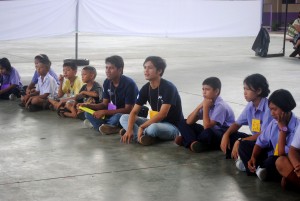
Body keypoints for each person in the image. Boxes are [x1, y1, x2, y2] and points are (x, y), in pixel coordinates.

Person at [120, 56, 183, 146]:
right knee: (124, 118)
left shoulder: (169, 88)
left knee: (153, 128)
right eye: (145, 67)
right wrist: (130, 129)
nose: (146, 70)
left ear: (159, 71)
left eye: (150, 68)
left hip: (172, 126)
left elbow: (163, 114)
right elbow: (134, 111)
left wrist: (142, 126)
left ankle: (137, 134)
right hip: (155, 122)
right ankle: (140, 136)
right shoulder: (146, 88)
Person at [238, 89, 299, 182]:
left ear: (285, 109)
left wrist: (283, 129)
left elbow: (281, 154)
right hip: (271, 154)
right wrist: (253, 157)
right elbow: (260, 142)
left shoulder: (297, 127)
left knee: (272, 161)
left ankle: (260, 170)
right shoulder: (274, 123)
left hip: (283, 160)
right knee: (244, 145)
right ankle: (259, 169)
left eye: (275, 109)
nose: (272, 113)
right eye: (270, 109)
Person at [220, 73, 273, 169]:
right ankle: (241, 157)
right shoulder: (250, 106)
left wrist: (241, 141)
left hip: (265, 143)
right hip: (254, 139)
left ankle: (253, 165)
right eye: (244, 89)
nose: (244, 92)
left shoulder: (269, 108)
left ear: (259, 91)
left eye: (247, 89)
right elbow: (237, 124)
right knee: (230, 134)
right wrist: (226, 135)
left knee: (243, 144)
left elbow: (264, 135)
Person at [175, 77, 235, 153]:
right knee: (183, 122)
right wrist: (200, 106)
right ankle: (193, 143)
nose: (204, 92)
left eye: (207, 89)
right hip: (210, 131)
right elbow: (189, 122)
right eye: (203, 89)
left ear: (216, 91)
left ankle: (187, 141)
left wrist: (205, 107)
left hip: (222, 134)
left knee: (207, 133)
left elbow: (207, 126)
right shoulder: (208, 102)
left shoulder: (221, 106)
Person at [81, 55, 138, 134]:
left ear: (120, 70)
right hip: (113, 110)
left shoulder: (129, 84)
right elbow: (104, 104)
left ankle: (101, 126)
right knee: (87, 113)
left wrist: (104, 112)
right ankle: (110, 127)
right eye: (106, 67)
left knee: (118, 117)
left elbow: (128, 110)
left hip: (126, 114)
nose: (107, 71)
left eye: (111, 68)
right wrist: (87, 105)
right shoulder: (107, 82)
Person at [276, 124, 300, 190]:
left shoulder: (296, 123)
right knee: (280, 161)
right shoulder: (273, 123)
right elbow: (293, 150)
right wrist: (297, 166)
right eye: (271, 112)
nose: (272, 113)